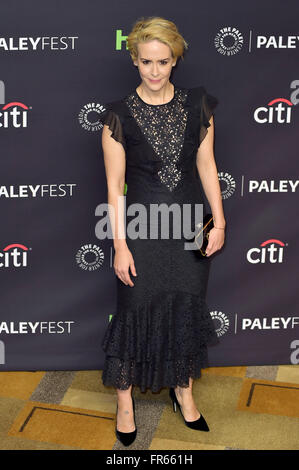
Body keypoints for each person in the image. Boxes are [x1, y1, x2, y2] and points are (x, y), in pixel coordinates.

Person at [99, 16, 226, 447]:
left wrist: (219, 220)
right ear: (134, 59)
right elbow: (115, 188)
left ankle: (183, 392)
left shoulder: (198, 104)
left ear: (176, 60)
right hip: (141, 228)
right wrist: (119, 245)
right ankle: (126, 402)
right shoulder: (116, 116)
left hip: (192, 224)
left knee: (188, 305)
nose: (155, 72)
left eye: (164, 62)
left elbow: (207, 167)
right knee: (134, 309)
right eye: (147, 62)